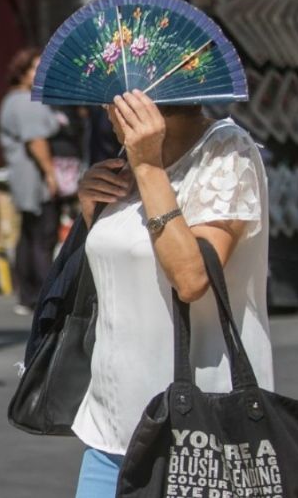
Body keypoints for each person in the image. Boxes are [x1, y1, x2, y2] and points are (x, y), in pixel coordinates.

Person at [71, 90, 273, 496]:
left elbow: (192, 278)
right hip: (109, 425)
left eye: (114, 95)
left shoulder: (228, 152)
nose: (105, 108)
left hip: (200, 433)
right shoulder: (127, 159)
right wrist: (91, 206)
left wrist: (148, 167)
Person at [0, 47, 61, 316]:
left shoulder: (13, 99)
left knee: (28, 234)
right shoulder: (25, 101)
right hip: (33, 178)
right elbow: (36, 141)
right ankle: (44, 296)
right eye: (34, 67)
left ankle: (27, 294)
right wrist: (50, 173)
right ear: (22, 72)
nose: (39, 73)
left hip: (21, 176)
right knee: (42, 236)